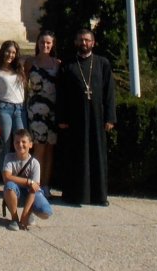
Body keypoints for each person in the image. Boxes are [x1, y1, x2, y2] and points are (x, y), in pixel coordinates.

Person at [57, 28, 117, 206]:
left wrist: (110, 117)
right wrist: (61, 117)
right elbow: (61, 94)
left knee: (97, 155)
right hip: (74, 119)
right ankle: (73, 194)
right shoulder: (67, 65)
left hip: (97, 118)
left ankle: (99, 196)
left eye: (87, 40)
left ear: (93, 42)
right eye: (81, 40)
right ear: (76, 42)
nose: (84, 43)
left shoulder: (102, 63)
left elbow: (109, 93)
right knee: (75, 156)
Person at [24, 30, 60, 188]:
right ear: (37, 44)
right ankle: (35, 185)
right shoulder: (30, 62)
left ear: (52, 45)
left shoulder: (57, 63)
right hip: (36, 110)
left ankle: (46, 186)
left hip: (52, 110)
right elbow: (24, 85)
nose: (45, 45)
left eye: (48, 43)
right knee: (38, 149)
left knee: (50, 149)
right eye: (42, 42)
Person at [1, 128, 52, 230]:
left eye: (24, 142)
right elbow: (7, 177)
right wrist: (28, 181)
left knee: (46, 212)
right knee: (9, 186)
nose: (20, 145)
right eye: (17, 142)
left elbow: (34, 189)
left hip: (30, 193)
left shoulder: (35, 163)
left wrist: (24, 214)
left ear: (30, 144)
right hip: (15, 192)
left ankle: (29, 213)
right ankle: (14, 218)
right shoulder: (9, 157)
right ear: (13, 144)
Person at [0, 40, 27, 163]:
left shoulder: (19, 69)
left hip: (20, 109)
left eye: (13, 53)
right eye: (8, 52)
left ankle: (19, 171)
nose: (10, 55)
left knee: (22, 141)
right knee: (5, 143)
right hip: (4, 109)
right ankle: (5, 174)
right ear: (2, 52)